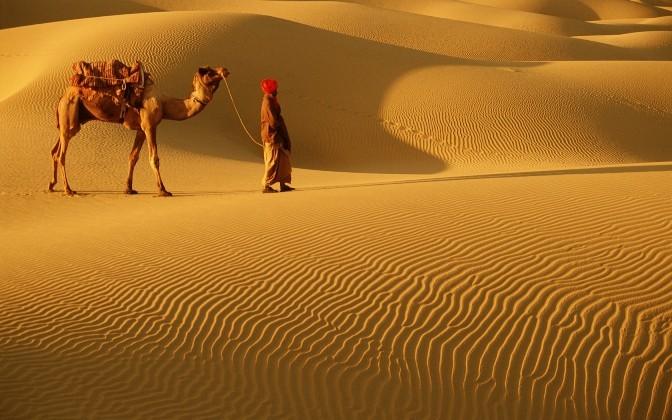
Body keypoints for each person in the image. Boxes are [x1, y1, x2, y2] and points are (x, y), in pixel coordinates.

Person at [260, 78, 294, 193]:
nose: (277, 91)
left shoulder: (272, 99)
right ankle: (266, 185)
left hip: (278, 134)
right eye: (275, 89)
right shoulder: (267, 101)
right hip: (272, 135)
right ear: (271, 90)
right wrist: (279, 125)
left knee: (283, 159)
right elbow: (273, 121)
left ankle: (283, 184)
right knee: (272, 160)